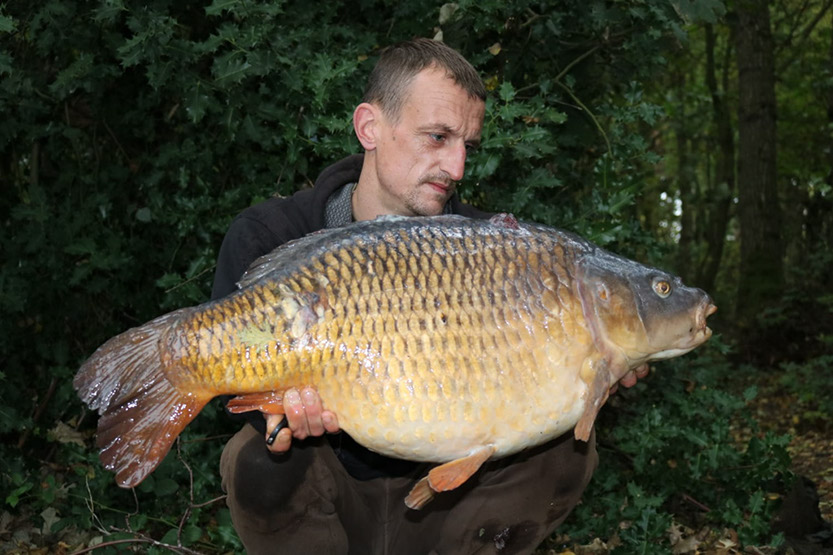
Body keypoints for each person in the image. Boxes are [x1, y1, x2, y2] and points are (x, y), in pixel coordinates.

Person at [211, 38, 643, 554]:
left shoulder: (500, 252)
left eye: (467, 146)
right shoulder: (272, 234)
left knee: (567, 449)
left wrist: (602, 361)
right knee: (256, 457)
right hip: (331, 498)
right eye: (437, 137)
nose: (457, 168)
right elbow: (233, 395)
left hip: (453, 510)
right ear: (370, 127)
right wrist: (277, 414)